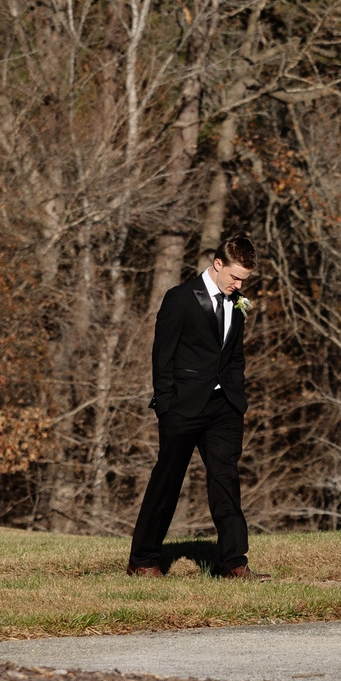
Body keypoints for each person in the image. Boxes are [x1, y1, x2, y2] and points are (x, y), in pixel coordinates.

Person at [127, 239, 260, 578]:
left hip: (225, 408)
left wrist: (237, 397)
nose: (239, 285)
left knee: (226, 482)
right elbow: (162, 357)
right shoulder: (180, 299)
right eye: (235, 277)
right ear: (217, 264)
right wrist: (166, 406)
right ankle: (143, 559)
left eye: (244, 280)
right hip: (182, 408)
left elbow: (235, 356)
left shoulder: (237, 303)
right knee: (167, 482)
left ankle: (233, 564)